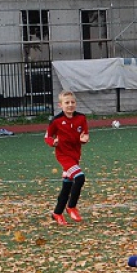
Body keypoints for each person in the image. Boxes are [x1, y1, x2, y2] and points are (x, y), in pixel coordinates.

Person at [44, 90, 89, 225]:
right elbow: (47, 136)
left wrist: (85, 139)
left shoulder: (81, 118)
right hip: (63, 156)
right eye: (67, 103)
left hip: (75, 155)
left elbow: (85, 134)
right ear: (60, 105)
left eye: (72, 102)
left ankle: (57, 213)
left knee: (67, 186)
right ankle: (71, 207)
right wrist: (53, 142)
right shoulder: (56, 121)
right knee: (80, 177)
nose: (70, 105)